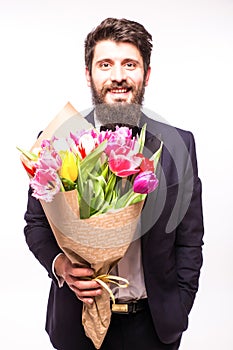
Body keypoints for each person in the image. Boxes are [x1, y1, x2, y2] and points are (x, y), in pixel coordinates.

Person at [24, 17, 204, 350]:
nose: (118, 76)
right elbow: (35, 224)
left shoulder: (179, 145)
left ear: (146, 74)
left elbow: (190, 240)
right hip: (76, 323)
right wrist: (61, 266)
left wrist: (180, 307)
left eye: (130, 64)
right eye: (105, 64)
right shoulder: (57, 140)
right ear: (89, 73)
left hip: (153, 327)